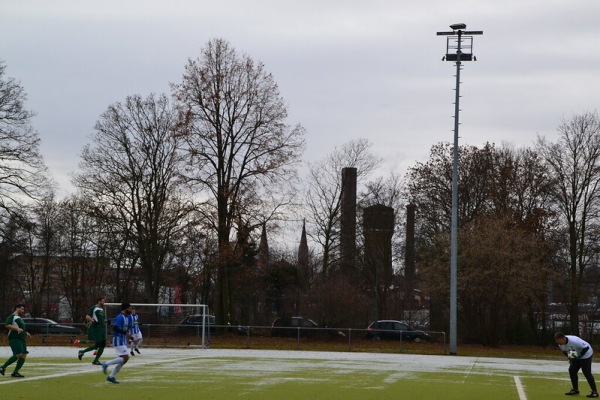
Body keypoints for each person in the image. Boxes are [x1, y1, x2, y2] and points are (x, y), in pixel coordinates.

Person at [555, 331, 599, 398]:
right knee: (572, 370)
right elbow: (565, 351)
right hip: (575, 353)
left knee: (586, 372)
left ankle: (595, 392)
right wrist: (570, 358)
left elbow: (586, 348)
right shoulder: (560, 344)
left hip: (586, 354)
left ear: (563, 338)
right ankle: (575, 390)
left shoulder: (574, 341)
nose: (557, 342)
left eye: (558, 340)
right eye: (556, 340)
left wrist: (579, 357)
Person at [101, 302, 132, 384]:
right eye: (129, 308)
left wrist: (129, 336)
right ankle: (106, 363)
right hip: (118, 340)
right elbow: (115, 328)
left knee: (124, 360)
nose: (130, 310)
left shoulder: (126, 317)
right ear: (125, 309)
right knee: (125, 358)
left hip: (122, 340)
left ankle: (111, 377)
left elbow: (124, 329)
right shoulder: (120, 317)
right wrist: (125, 333)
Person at [0, 304, 31, 378]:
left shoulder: (19, 318)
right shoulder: (12, 316)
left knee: (23, 355)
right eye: (22, 309)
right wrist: (17, 329)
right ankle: (2, 367)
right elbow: (7, 325)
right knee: (19, 354)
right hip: (15, 338)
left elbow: (20, 328)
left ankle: (15, 372)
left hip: (21, 339)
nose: (23, 311)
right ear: (17, 308)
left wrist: (25, 333)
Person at [78, 297, 106, 365]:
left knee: (103, 345)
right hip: (96, 329)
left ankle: (96, 360)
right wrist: (92, 320)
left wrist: (106, 321)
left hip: (102, 329)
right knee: (98, 345)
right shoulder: (94, 308)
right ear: (99, 301)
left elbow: (102, 320)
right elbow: (87, 316)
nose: (104, 303)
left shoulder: (102, 310)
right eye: (102, 301)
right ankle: (82, 351)